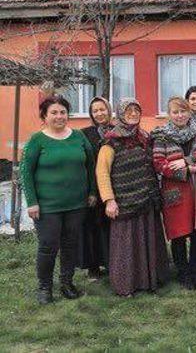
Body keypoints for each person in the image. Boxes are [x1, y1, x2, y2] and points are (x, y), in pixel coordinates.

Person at [21, 95, 97, 304]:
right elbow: (26, 172)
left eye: (62, 112)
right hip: (47, 206)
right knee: (48, 245)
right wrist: (32, 202)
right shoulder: (37, 140)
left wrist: (92, 192)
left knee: (71, 244)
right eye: (54, 112)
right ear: (44, 116)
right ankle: (45, 287)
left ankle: (66, 283)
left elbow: (90, 166)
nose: (59, 116)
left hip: (76, 204)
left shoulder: (79, 137)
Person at [96, 98, 169, 297]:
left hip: (146, 199)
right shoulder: (111, 141)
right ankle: (126, 284)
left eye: (137, 110)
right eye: (129, 111)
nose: (134, 114)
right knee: (127, 245)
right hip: (125, 201)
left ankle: (151, 279)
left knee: (148, 240)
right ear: (120, 114)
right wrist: (109, 200)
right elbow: (102, 172)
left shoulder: (144, 137)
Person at [152, 97, 196, 290]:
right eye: (175, 112)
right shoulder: (162, 136)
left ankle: (195, 271)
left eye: (183, 111)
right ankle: (183, 272)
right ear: (169, 114)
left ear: (189, 112)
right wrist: (188, 169)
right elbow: (159, 164)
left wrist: (187, 159)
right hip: (176, 192)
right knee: (179, 233)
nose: (180, 116)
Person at [79, 96, 113, 281]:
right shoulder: (84, 134)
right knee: (92, 227)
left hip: (112, 186)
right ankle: (93, 266)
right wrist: (89, 190)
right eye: (95, 111)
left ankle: (110, 261)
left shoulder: (118, 131)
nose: (100, 113)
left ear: (109, 109)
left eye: (103, 109)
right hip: (92, 187)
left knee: (111, 227)